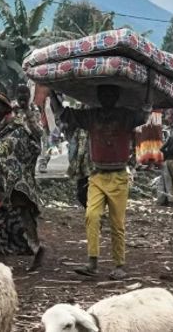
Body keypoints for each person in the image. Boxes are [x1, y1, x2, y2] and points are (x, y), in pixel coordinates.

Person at [53, 85, 148, 280]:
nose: (107, 98)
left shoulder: (126, 115)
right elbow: (63, 114)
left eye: (110, 94)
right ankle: (92, 262)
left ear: (116, 97)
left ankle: (119, 265)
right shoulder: (91, 115)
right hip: (96, 175)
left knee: (117, 223)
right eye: (103, 94)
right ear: (98, 97)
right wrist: (52, 93)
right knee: (92, 215)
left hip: (119, 175)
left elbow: (145, 115)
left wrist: (149, 92)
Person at [0, 93, 46, 271]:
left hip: (16, 182)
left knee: (22, 218)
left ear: (4, 107)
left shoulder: (17, 126)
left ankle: (35, 248)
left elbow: (28, 147)